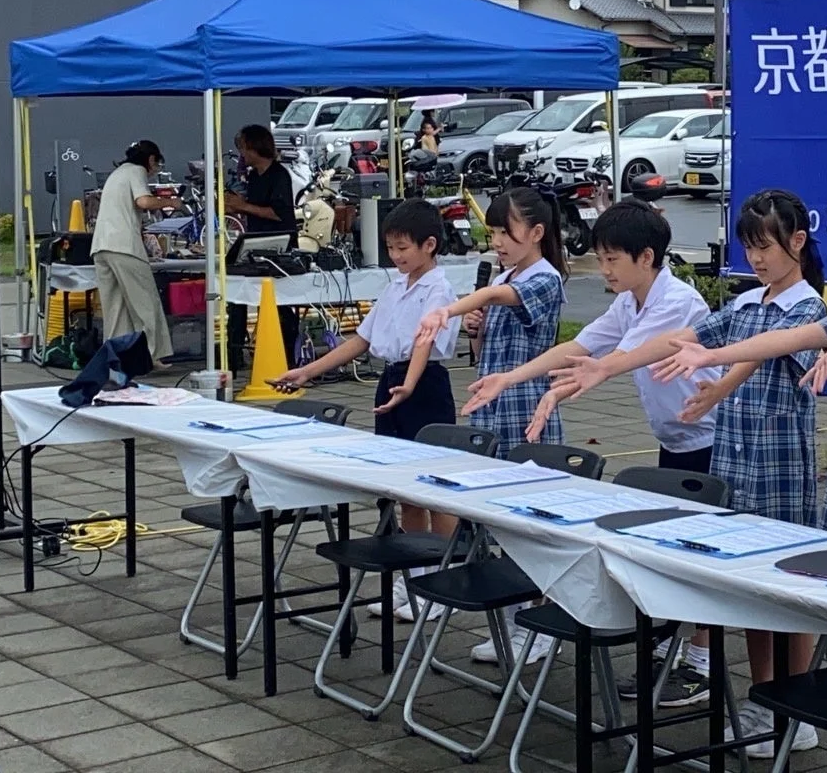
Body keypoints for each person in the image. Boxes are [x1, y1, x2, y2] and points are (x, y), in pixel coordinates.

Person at [541, 189, 827, 755]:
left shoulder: (808, 306)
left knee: (788, 594)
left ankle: (798, 707)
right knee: (747, 592)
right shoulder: (748, 301)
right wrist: (608, 368)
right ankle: (764, 695)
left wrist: (714, 372)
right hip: (733, 463)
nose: (757, 259)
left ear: (797, 242)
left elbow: (766, 349)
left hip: (780, 467)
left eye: (767, 247)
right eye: (750, 248)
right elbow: (685, 339)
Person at [461, 197, 725, 709]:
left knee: (702, 559)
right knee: (673, 551)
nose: (603, 269)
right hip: (677, 440)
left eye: (612, 259)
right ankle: (672, 648)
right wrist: (512, 378)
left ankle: (701, 662)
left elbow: (621, 357)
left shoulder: (676, 301)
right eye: (600, 258)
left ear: (646, 257)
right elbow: (581, 346)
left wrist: (570, 386)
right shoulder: (629, 302)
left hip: (711, 441)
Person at [267, 200, 462, 622]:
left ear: (429, 245)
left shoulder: (439, 290)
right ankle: (412, 574)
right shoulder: (395, 287)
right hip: (391, 378)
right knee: (402, 489)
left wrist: (409, 383)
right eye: (391, 248)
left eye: (403, 248)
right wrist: (308, 371)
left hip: (424, 384)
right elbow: (362, 340)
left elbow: (426, 343)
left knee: (435, 488)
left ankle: (440, 580)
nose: (396, 256)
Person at [413, 186, 567, 666]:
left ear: (536, 233)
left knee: (531, 523)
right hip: (493, 408)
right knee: (500, 521)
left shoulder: (545, 278)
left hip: (525, 411)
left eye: (505, 232)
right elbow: (485, 351)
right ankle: (516, 618)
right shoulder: (508, 275)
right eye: (493, 232)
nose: (497, 241)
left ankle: (539, 623)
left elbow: (501, 295)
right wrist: (476, 330)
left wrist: (451, 308)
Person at [89, 140, 179, 364]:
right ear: (150, 159)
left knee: (115, 308)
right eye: (156, 165)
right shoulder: (137, 171)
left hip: (101, 245)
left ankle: (116, 357)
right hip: (124, 246)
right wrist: (170, 202)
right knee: (145, 303)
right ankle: (150, 355)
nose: (154, 171)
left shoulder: (117, 173)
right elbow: (144, 201)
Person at [224, 124, 299, 372]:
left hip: (279, 243)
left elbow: (279, 213)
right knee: (236, 294)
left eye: (244, 148)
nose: (242, 154)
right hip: (256, 241)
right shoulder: (254, 176)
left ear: (256, 147)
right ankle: (234, 353)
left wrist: (243, 207)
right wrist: (236, 205)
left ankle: (287, 353)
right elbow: (254, 208)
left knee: (281, 301)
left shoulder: (279, 175)